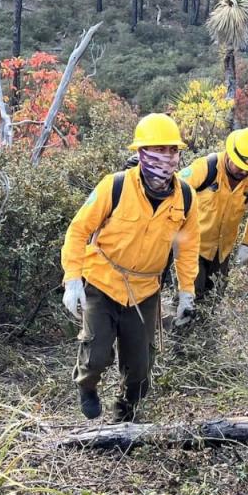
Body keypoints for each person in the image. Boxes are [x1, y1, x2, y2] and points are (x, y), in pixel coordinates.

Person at [61, 113, 200, 423]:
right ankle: (86, 386)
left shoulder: (186, 197)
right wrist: (72, 280)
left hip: (145, 291)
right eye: (159, 150)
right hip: (102, 283)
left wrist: (186, 292)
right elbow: (78, 230)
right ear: (141, 152)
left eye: (172, 150)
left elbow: (188, 248)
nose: (167, 157)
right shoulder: (115, 186)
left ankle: (125, 417)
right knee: (96, 356)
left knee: (139, 369)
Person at [181, 128, 248, 300]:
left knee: (215, 299)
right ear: (229, 154)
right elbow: (175, 192)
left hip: (222, 251)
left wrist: (247, 244)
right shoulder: (205, 167)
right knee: (190, 298)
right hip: (193, 248)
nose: (244, 172)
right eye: (240, 167)